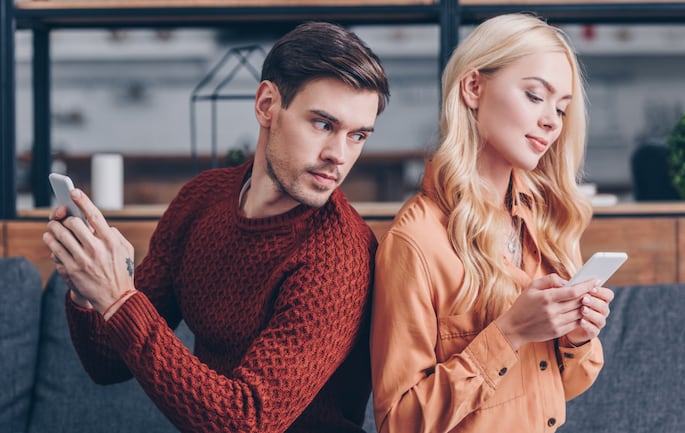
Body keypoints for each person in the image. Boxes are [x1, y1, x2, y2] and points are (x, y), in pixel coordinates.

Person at [42, 21, 389, 433]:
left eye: (358, 136)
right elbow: (107, 362)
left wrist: (119, 297)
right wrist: (87, 288)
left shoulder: (338, 256)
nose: (339, 155)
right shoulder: (202, 200)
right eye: (323, 124)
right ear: (266, 105)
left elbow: (246, 423)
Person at [370, 13, 613, 432]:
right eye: (535, 96)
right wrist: (510, 333)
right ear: (473, 87)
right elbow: (399, 423)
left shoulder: (545, 222)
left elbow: (562, 389)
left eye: (561, 107)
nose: (553, 121)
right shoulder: (416, 241)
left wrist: (577, 339)